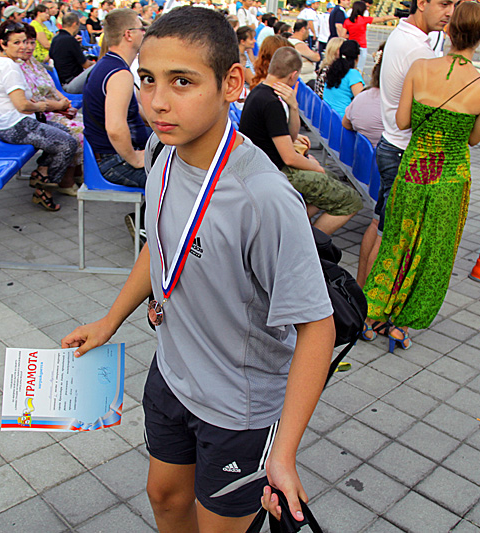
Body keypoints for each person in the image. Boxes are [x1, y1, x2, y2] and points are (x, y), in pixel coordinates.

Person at [63, 8, 335, 531]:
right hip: (172, 372)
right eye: (147, 80)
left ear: (231, 83)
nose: (157, 102)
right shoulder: (163, 151)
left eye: (181, 81)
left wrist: (284, 451)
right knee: (164, 497)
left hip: (238, 406)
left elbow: (316, 327)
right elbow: (160, 247)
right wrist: (109, 320)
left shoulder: (263, 197)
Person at [362, 1, 480, 351]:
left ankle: (371, 312)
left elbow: (403, 121)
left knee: (396, 241)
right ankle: (403, 323)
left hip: (413, 170)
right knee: (433, 253)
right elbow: (474, 138)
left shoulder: (420, 68)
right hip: (449, 179)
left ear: (450, 30)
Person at [356, 0, 452, 300]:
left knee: (379, 222)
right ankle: (366, 310)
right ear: (422, 3)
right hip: (402, 150)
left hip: (391, 144)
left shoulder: (403, 35)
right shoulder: (418, 50)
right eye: (444, 3)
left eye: (454, 5)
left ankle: (359, 295)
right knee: (388, 238)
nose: (449, 12)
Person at [240, 47, 363, 234]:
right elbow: (289, 157)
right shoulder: (271, 102)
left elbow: (292, 137)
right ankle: (311, 243)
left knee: (332, 178)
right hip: (273, 170)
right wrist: (314, 167)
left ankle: (294, 227)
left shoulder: (260, 92)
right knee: (351, 201)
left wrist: (294, 106)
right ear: (294, 75)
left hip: (264, 166)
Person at [0, 20, 78, 211]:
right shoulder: (9, 67)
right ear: (3, 44)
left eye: (24, 42)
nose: (22, 47)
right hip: (14, 126)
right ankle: (45, 188)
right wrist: (43, 106)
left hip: (15, 122)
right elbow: (22, 105)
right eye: (16, 43)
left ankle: (42, 172)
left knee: (63, 132)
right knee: (68, 144)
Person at [83, 8, 149, 190]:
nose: (144, 32)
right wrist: (135, 159)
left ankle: (145, 217)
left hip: (112, 156)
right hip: (114, 162)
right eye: (141, 28)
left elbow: (139, 111)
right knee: (186, 180)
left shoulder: (110, 65)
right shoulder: (119, 74)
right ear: (128, 34)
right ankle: (146, 218)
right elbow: (115, 129)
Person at [19, 23, 81, 194]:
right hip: (39, 114)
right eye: (24, 42)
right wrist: (60, 106)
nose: (28, 47)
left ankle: (75, 172)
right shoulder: (16, 68)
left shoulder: (35, 63)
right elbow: (32, 100)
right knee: (76, 132)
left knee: (85, 123)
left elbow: (53, 88)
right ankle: (63, 180)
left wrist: (65, 102)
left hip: (54, 108)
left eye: (32, 43)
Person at [343, 42, 384, 148]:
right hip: (377, 158)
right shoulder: (354, 75)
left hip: (360, 154)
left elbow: (346, 123)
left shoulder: (363, 97)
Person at [342, 1, 395, 73]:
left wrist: (351, 35)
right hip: (362, 46)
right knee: (360, 68)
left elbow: (343, 35)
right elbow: (382, 19)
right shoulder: (364, 20)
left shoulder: (347, 21)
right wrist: (395, 16)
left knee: (350, 66)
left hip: (351, 45)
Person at [51, 12, 93, 93]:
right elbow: (86, 65)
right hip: (71, 83)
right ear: (74, 24)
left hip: (62, 81)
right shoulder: (70, 40)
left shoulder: (55, 39)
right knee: (98, 67)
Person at [322, 39, 363, 116]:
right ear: (357, 57)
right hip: (342, 119)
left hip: (327, 117)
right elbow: (362, 101)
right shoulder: (353, 74)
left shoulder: (332, 70)